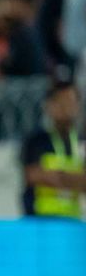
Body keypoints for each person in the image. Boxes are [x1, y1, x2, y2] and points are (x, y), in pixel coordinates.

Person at [19, 79, 86, 218]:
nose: (67, 108)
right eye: (61, 103)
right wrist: (76, 180)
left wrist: (55, 177)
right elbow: (33, 176)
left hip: (73, 224)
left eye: (71, 102)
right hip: (41, 224)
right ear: (50, 106)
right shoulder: (36, 140)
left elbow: (46, 177)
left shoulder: (81, 141)